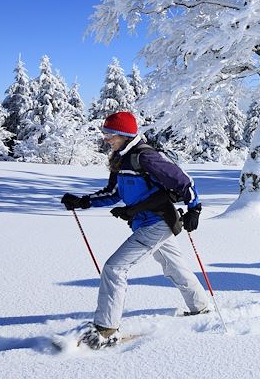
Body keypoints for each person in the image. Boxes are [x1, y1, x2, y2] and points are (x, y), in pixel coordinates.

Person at [60, 111, 210, 349]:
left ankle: (106, 328)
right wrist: (83, 201)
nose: (106, 138)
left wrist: (195, 208)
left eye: (110, 134)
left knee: (114, 267)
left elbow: (183, 181)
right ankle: (200, 307)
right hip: (144, 222)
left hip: (158, 222)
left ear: (125, 134)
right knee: (174, 267)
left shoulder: (146, 157)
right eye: (105, 133)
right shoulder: (120, 160)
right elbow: (113, 193)